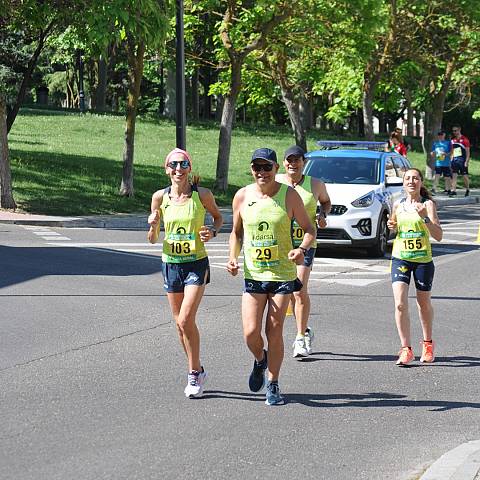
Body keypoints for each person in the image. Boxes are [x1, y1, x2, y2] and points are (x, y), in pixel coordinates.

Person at [226, 147, 315, 405]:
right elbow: (236, 233)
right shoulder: (242, 196)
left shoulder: (290, 196)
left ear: (277, 169)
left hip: (282, 275)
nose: (262, 172)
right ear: (252, 169)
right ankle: (259, 360)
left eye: (267, 167)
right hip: (254, 273)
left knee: (274, 332)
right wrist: (233, 257)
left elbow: (309, 229)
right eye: (257, 167)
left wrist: (301, 248)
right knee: (250, 333)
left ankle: (273, 383)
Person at [147, 148, 223, 398]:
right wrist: (153, 224)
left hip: (196, 263)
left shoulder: (202, 195)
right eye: (173, 165)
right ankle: (197, 369)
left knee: (184, 320)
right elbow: (152, 240)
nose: (178, 169)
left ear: (189, 168)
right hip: (170, 264)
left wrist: (211, 232)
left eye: (183, 164)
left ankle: (193, 373)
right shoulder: (159, 197)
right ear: (166, 169)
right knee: (180, 326)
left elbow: (218, 219)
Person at [276, 145, 331, 359]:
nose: (293, 164)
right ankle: (305, 327)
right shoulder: (277, 182)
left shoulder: (315, 184)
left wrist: (322, 215)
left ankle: (300, 337)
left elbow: (326, 202)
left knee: (298, 289)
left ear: (304, 162)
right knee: (289, 290)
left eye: (297, 160)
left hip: (306, 242)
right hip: (281, 244)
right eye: (289, 160)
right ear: (283, 163)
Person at [387, 168, 443, 366]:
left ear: (420, 182)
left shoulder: (428, 205)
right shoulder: (397, 205)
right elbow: (394, 228)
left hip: (423, 261)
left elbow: (438, 235)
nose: (411, 181)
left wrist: (425, 217)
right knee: (400, 304)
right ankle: (405, 349)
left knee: (423, 304)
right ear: (403, 184)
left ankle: (427, 344)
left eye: (415, 178)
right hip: (400, 258)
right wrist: (391, 228)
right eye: (408, 178)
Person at [450, 125, 470, 197]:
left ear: (459, 130)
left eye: (455, 130)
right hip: (455, 160)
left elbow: (468, 152)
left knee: (464, 176)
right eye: (453, 131)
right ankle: (453, 190)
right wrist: (451, 159)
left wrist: (466, 162)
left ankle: (467, 189)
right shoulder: (453, 140)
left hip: (462, 160)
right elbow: (452, 151)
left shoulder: (465, 140)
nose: (454, 132)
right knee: (454, 175)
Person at [430, 130, 452, 195]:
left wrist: (446, 154)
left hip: (446, 163)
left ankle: (447, 189)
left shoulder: (448, 143)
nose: (440, 136)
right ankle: (434, 188)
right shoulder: (435, 143)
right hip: (438, 162)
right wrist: (432, 153)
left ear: (444, 135)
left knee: (447, 177)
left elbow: (452, 152)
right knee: (437, 175)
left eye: (441, 135)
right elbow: (433, 152)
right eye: (439, 135)